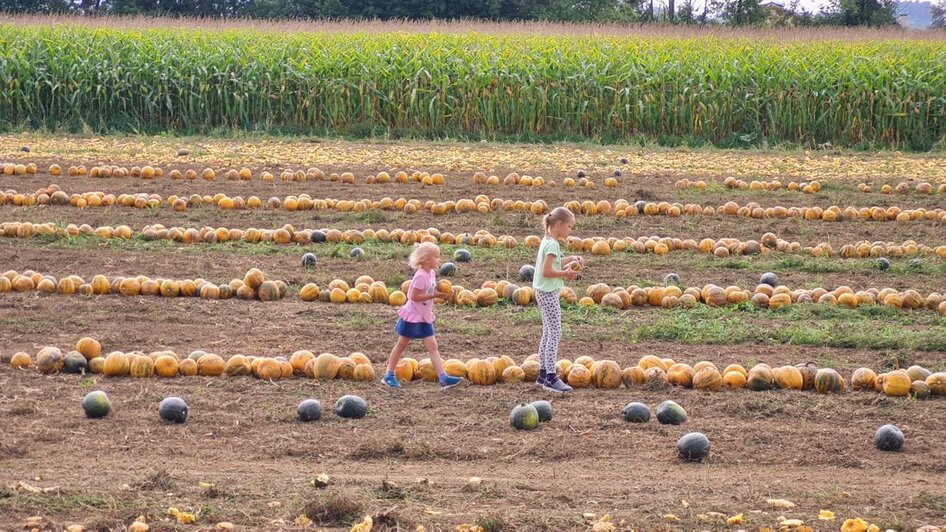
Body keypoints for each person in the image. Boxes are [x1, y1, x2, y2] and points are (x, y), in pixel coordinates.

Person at [383, 242, 463, 390]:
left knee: (432, 346)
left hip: (424, 316)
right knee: (401, 345)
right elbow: (413, 296)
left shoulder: (431, 273)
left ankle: (443, 378)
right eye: (437, 257)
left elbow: (429, 292)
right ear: (427, 260)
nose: (439, 260)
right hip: (413, 316)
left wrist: (441, 294)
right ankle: (389, 375)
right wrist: (433, 295)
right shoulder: (421, 276)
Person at [533, 207, 583, 393]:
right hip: (548, 292)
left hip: (542, 291)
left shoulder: (547, 240)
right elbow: (547, 271)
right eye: (569, 227)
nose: (570, 231)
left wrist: (570, 259)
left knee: (548, 331)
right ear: (559, 224)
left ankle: (543, 374)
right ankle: (551, 378)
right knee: (555, 332)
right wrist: (566, 274)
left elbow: (552, 263)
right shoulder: (552, 245)